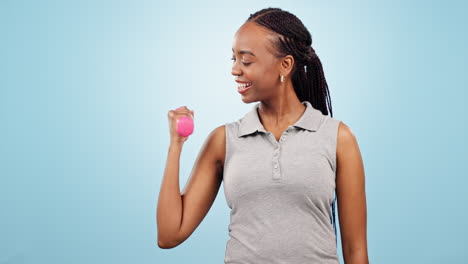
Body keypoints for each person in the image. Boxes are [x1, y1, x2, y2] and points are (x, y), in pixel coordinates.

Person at [157, 7, 369, 264]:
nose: (235, 69)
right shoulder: (224, 140)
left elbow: (356, 250)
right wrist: (176, 145)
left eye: (246, 61)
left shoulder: (338, 137)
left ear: (285, 65)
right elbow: (169, 235)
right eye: (233, 59)